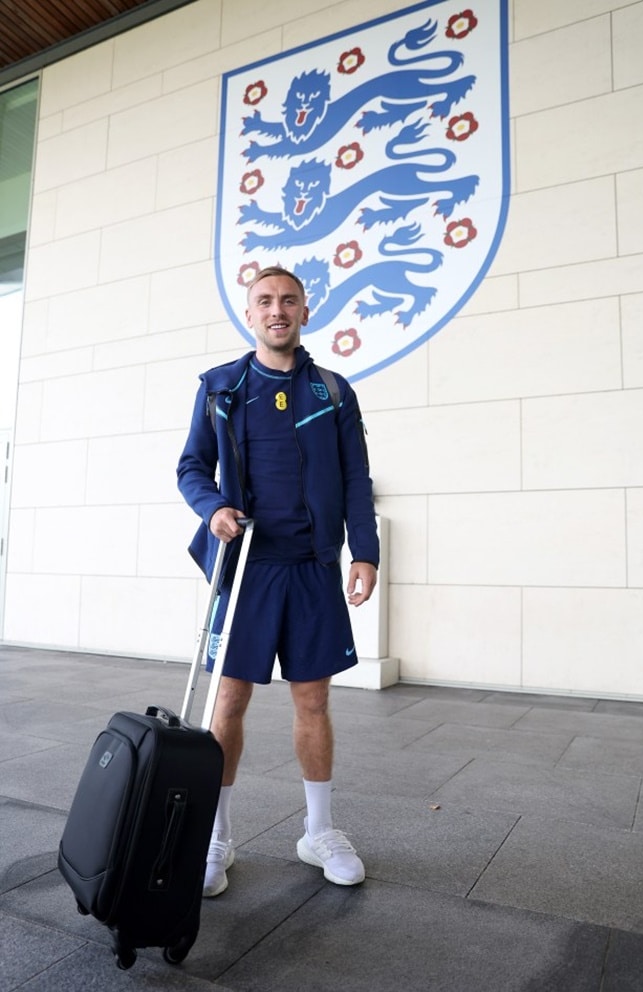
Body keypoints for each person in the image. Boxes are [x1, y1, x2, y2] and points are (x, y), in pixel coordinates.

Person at [176, 266, 379, 897]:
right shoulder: (221, 387)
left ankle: (318, 831)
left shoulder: (333, 391)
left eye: (288, 300)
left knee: (312, 701)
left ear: (305, 312)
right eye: (264, 300)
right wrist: (213, 508)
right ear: (250, 313)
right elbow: (190, 467)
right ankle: (216, 837)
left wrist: (363, 553)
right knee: (227, 704)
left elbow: (354, 480)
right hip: (244, 572)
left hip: (312, 567)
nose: (276, 309)